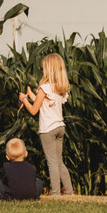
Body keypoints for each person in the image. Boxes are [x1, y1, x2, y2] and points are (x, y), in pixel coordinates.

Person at [19, 53, 74, 196]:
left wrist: (24, 100)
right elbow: (44, 103)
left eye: (44, 68)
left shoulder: (44, 87)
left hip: (48, 129)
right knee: (59, 161)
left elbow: (34, 110)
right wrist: (31, 95)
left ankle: (56, 193)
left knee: (52, 162)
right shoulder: (60, 88)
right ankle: (69, 192)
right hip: (59, 127)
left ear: (48, 69)